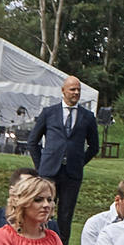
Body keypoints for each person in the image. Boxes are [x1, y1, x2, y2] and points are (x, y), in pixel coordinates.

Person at [25, 75, 100, 236]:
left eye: (78, 90)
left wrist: (78, 162)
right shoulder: (49, 112)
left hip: (72, 174)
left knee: (65, 217)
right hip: (48, 172)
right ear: (63, 90)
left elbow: (94, 147)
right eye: (72, 89)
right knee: (43, 212)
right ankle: (39, 243)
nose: (76, 92)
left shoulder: (87, 116)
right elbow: (32, 142)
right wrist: (41, 166)